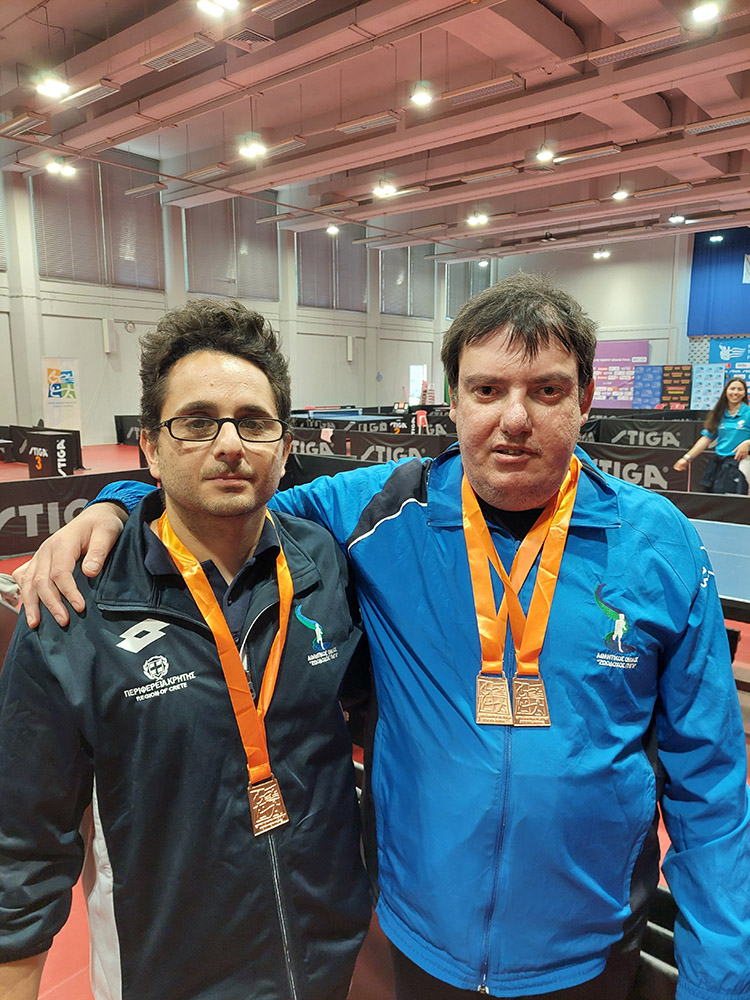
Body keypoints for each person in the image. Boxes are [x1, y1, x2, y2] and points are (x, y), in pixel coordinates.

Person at [14, 274, 750, 1000]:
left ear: (585, 399)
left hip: (588, 947)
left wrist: (719, 980)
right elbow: (223, 497)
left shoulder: (661, 546)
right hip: (422, 938)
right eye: (487, 389)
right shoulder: (378, 510)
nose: (515, 418)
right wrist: (117, 503)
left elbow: (711, 783)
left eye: (547, 390)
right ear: (453, 401)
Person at [0, 299, 372, 1000]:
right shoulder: (75, 600)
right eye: (197, 422)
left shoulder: (324, 563)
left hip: (323, 959)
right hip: (163, 973)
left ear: (284, 446)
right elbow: (21, 848)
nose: (229, 444)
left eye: (253, 422)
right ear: (150, 445)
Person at [673, 376, 750, 493]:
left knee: (737, 500)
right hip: (719, 464)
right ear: (726, 392)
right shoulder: (719, 414)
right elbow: (706, 439)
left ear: (744, 393)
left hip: (741, 464)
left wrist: (747, 442)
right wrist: (686, 458)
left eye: (739, 389)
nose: (735, 392)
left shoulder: (748, 413)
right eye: (732, 389)